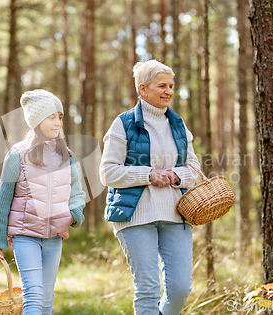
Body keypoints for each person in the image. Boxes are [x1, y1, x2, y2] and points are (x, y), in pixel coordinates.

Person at [100, 60, 200, 315]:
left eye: (171, 86)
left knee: (180, 288)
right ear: (143, 89)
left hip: (176, 215)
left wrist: (175, 176)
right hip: (134, 215)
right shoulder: (122, 124)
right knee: (148, 289)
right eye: (162, 86)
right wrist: (149, 175)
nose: (168, 91)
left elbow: (194, 169)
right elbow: (108, 172)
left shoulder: (178, 125)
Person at [0, 89, 86, 315]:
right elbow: (2, 198)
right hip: (25, 236)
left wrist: (72, 216)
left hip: (54, 238)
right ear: (37, 120)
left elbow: (77, 194)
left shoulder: (67, 156)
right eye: (51, 117)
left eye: (59, 117)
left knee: (47, 297)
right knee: (34, 294)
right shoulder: (18, 154)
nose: (57, 122)